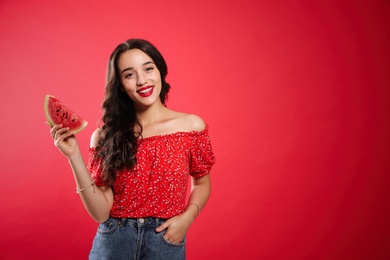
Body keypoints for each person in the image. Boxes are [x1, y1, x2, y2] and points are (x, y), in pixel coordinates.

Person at [47, 38, 215, 259]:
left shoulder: (191, 126)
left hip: (164, 241)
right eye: (129, 74)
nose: (142, 81)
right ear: (120, 85)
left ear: (160, 71)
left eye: (148, 69)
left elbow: (202, 184)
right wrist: (74, 156)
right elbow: (100, 213)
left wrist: (187, 219)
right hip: (114, 240)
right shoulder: (105, 135)